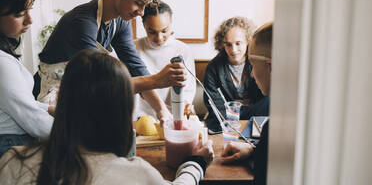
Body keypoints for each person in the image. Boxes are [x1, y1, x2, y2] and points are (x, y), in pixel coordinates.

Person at [0, 50, 214, 184]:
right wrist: (195, 163)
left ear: (64, 102)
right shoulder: (136, 175)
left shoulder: (13, 162)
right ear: (121, 112)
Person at [34, 0, 186, 122]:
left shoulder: (120, 21)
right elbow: (100, 81)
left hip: (80, 92)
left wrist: (161, 110)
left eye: (145, 5)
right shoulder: (82, 22)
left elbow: (135, 66)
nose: (142, 12)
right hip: (53, 97)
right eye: (138, 3)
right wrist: (156, 80)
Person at [0, 0, 54, 157]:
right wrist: (75, 132)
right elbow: (30, 117)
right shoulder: (2, 65)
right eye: (19, 14)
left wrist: (50, 108)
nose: (29, 20)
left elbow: (21, 102)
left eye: (29, 10)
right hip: (9, 146)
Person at [221, 22, 273, 185]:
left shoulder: (273, 128)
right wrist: (253, 151)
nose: (251, 74)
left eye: (252, 64)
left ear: (270, 66)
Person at [203, 17, 268, 132]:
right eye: (228, 44)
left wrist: (239, 112)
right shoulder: (213, 68)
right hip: (226, 123)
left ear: (248, 41)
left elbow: (266, 100)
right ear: (222, 44)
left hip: (257, 119)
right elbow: (215, 106)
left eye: (238, 43)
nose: (233, 50)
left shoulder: (258, 63)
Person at [133, 1, 196, 119]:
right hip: (140, 117)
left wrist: (186, 104)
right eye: (152, 32)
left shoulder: (183, 50)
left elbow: (188, 88)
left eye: (164, 31)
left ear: (171, 24)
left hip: (171, 117)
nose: (159, 38)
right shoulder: (134, 48)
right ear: (144, 26)